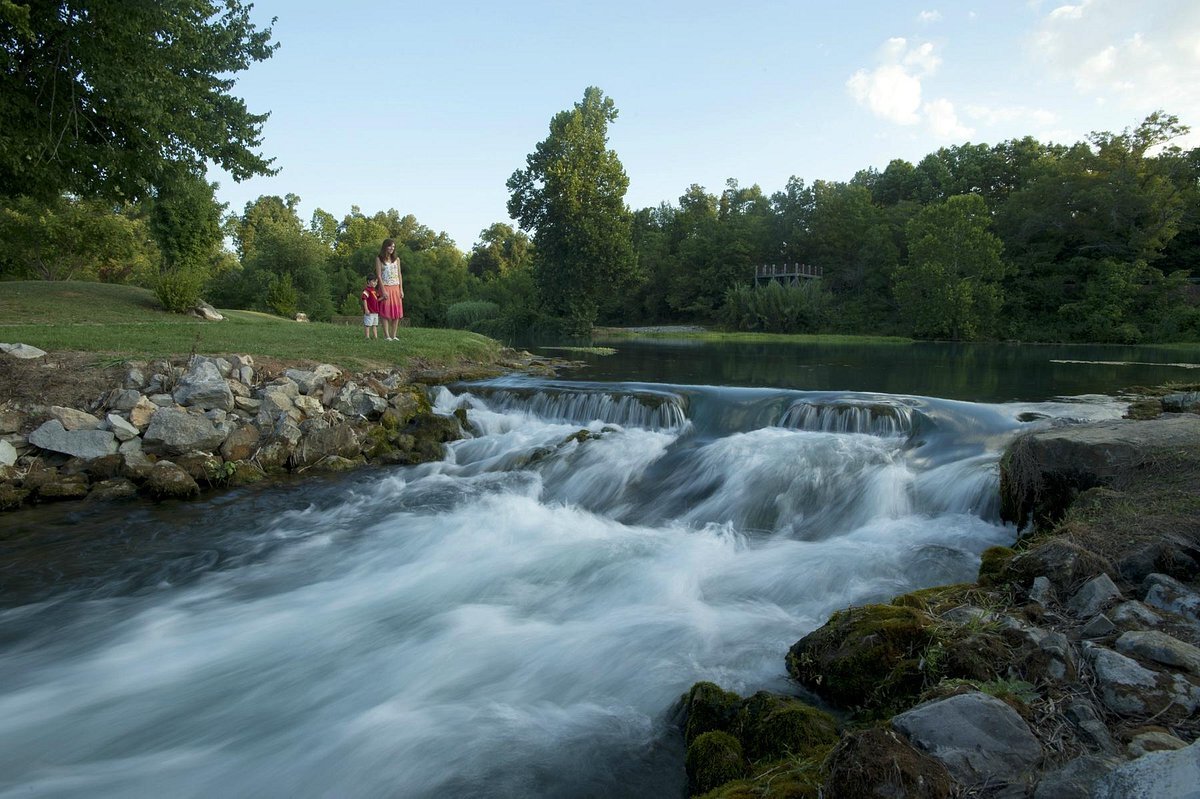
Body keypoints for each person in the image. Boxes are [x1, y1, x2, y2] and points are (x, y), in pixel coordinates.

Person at [375, 238, 405, 340]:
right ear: (385, 247)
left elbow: (399, 274)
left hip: (396, 287)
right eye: (390, 246)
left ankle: (394, 335)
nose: (392, 248)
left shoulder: (397, 259)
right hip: (386, 287)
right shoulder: (379, 259)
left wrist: (401, 289)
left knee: (396, 313)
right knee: (385, 313)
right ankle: (387, 336)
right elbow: (379, 276)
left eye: (393, 246)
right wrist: (383, 290)